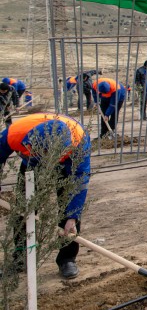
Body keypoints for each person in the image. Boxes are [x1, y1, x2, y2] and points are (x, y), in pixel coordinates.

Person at [0, 113, 90, 279]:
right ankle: (20, 258)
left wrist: (73, 216)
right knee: (23, 206)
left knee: (67, 210)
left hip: (68, 165)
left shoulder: (79, 142)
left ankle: (67, 258)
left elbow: (79, 183)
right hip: (31, 164)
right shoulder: (14, 134)